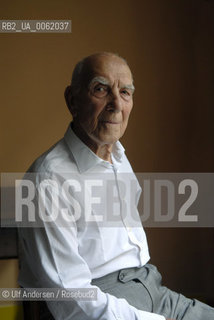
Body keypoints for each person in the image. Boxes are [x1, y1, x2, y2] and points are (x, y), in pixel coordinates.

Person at [18, 52, 214, 320]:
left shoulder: (118, 156)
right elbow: (70, 299)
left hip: (153, 290)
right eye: (100, 89)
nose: (116, 104)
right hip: (101, 306)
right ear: (72, 99)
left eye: (125, 92)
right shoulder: (48, 180)